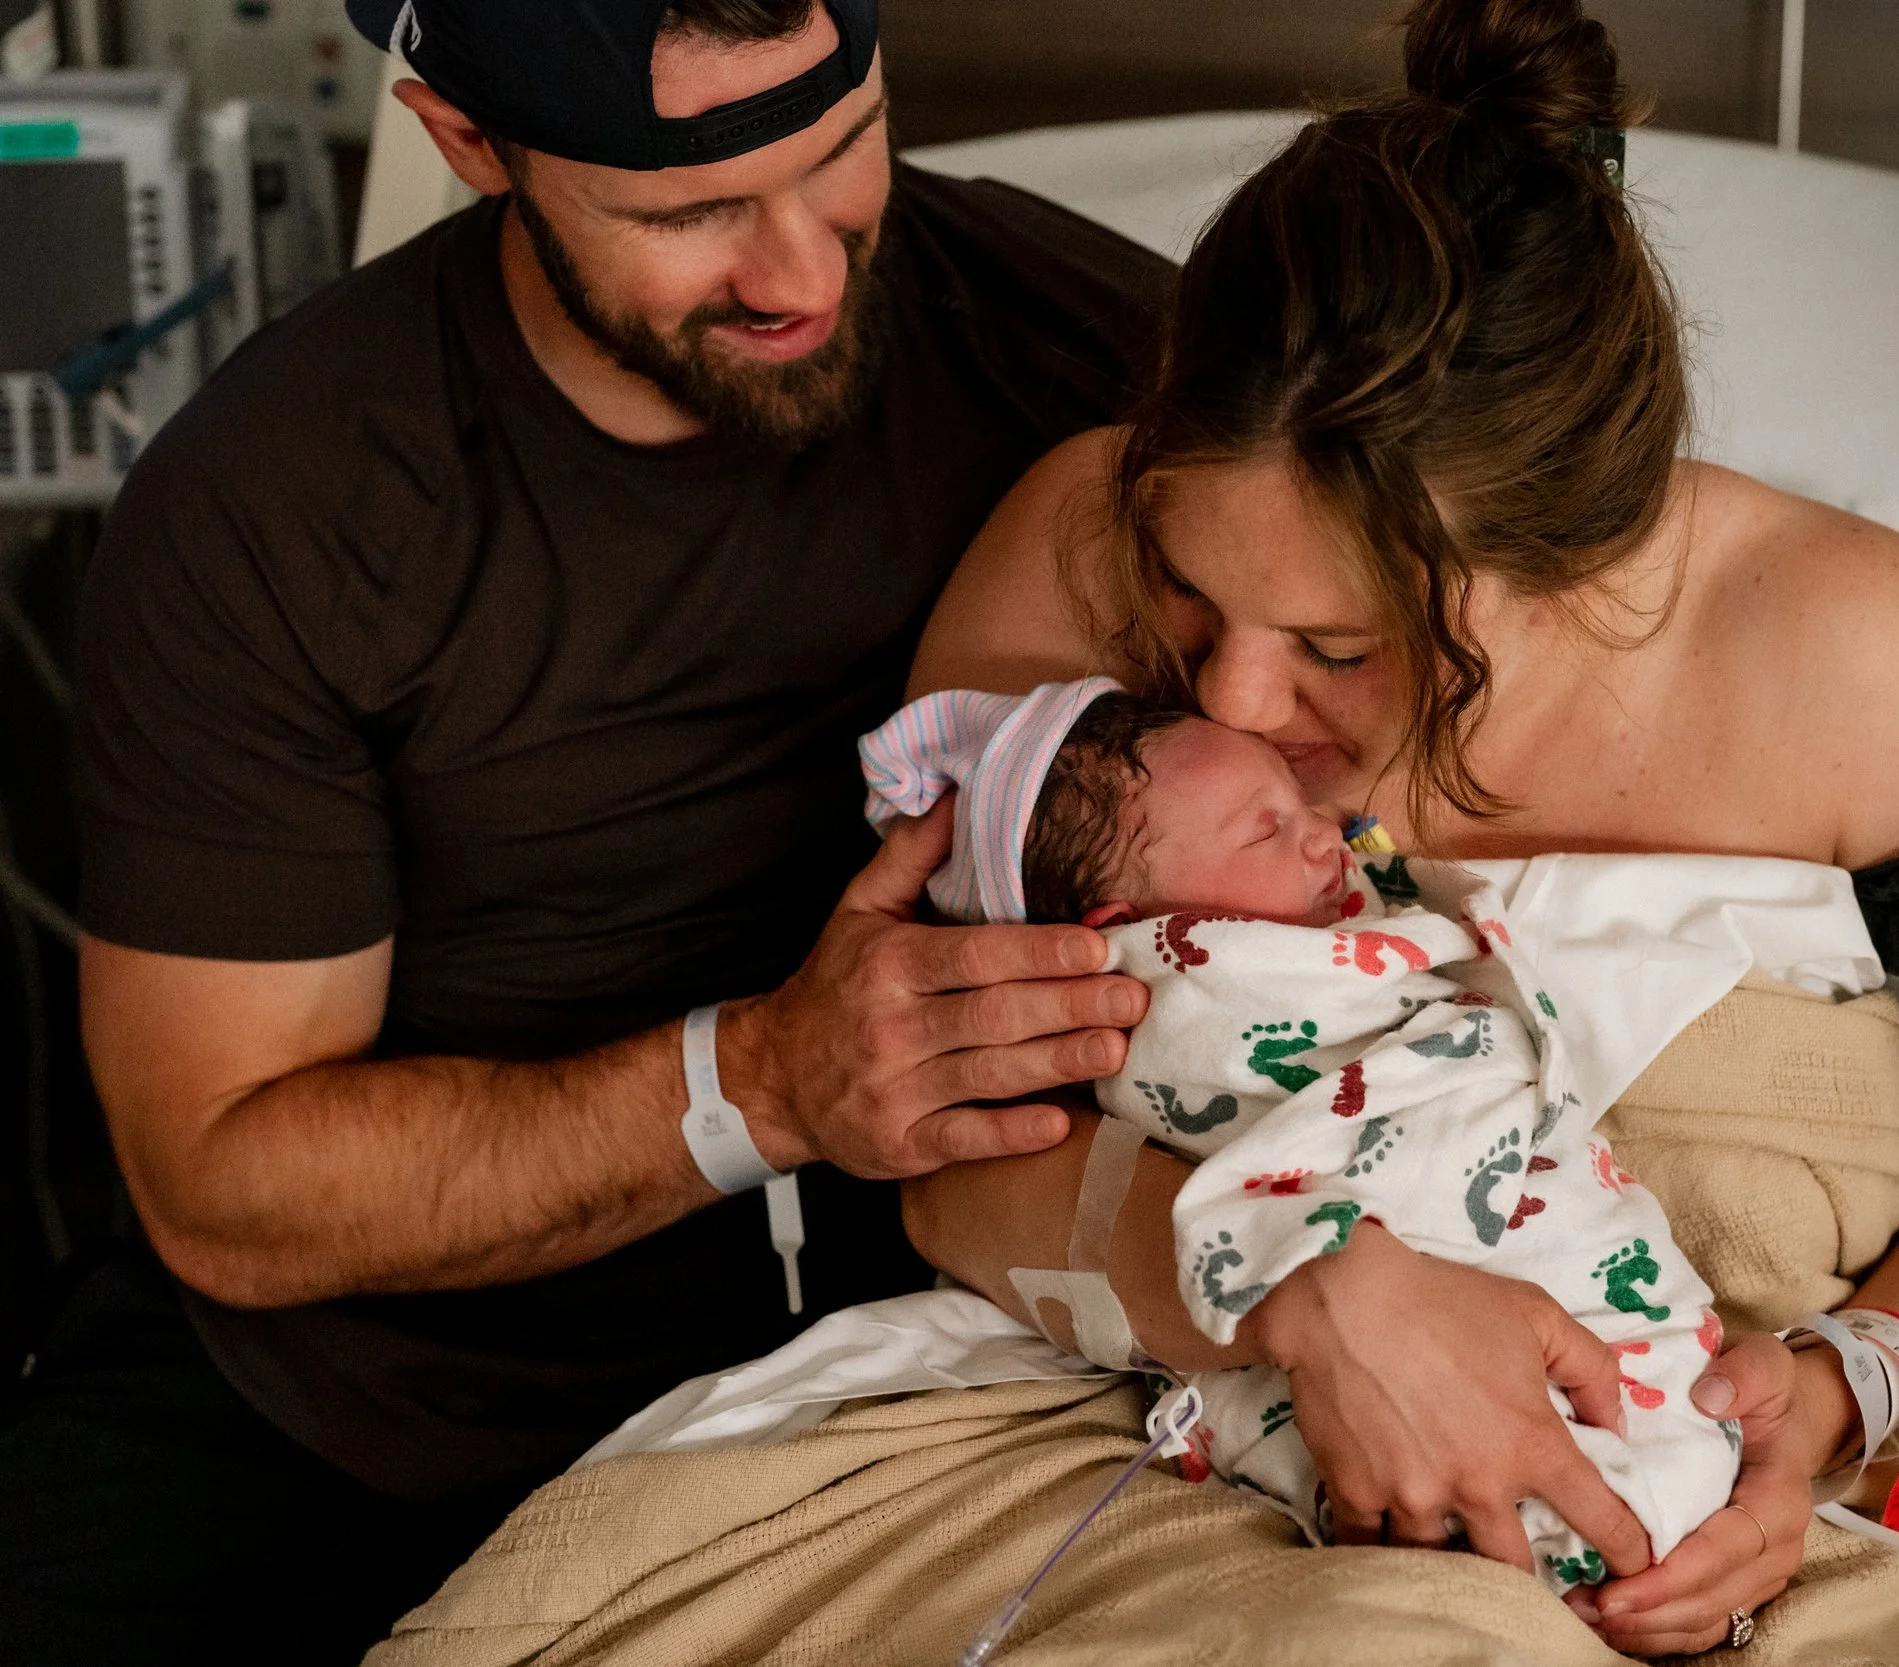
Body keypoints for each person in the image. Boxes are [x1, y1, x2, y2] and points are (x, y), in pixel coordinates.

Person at [901, 0, 1899, 1656]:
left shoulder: (1868, 658)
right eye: (1193, 600)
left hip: (1727, 1457)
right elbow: (930, 1148)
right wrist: (1301, 1283)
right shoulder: (1072, 553)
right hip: (1203, 1436)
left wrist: (1842, 1391)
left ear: (1584, 551)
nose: (1242, 698)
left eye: (1342, 649)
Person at [0, 1, 1177, 1660]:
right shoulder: (276, 515)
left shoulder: (1093, 360)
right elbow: (225, 1183)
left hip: (924, 1370)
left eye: (842, 152)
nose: (802, 274)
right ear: (469, 144)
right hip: (361, 1403)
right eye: (687, 212)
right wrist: (765, 1080)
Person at [857, 677, 1742, 1594]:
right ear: (1130, 931)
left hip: (1573, 1285)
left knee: (1656, 1417)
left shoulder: (1348, 902)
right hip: (1425, 1303)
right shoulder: (1198, 990)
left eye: (1298, 799)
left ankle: (1642, 1497)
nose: (1325, 831)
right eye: (1262, 828)